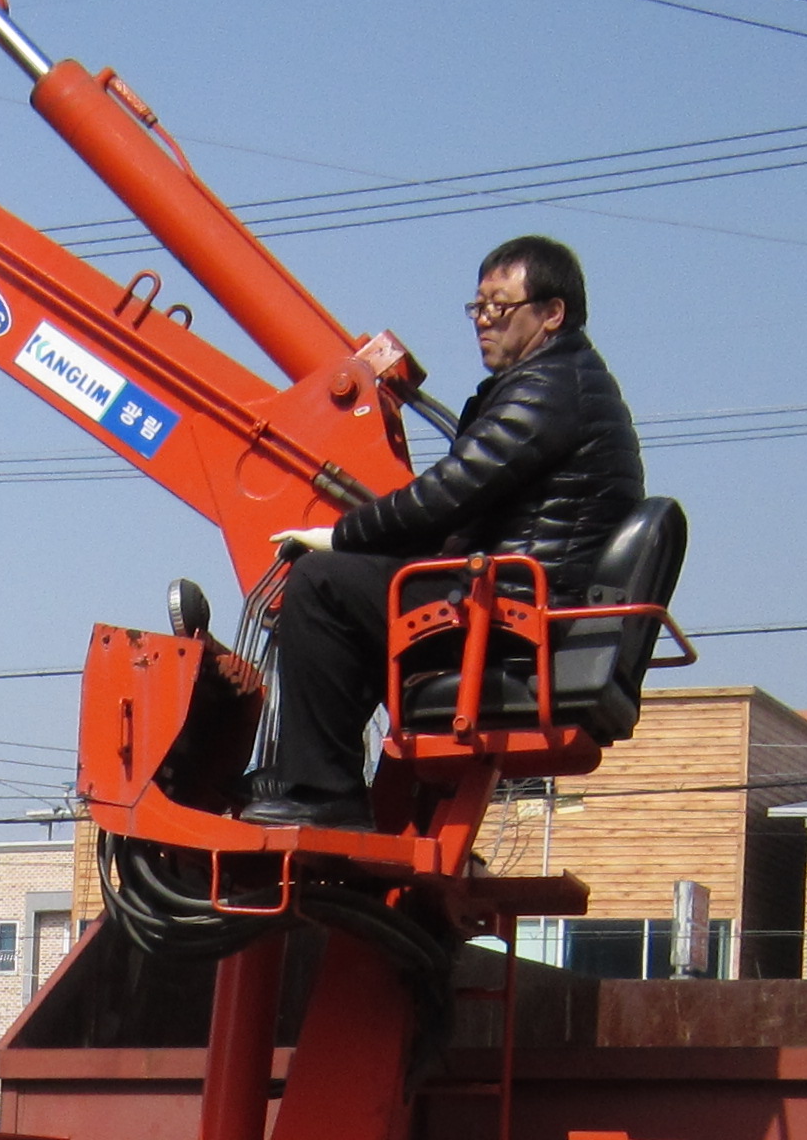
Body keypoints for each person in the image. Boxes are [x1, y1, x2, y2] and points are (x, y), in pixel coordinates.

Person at [242, 232, 646, 827]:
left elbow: (448, 494)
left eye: (499, 307)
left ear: (552, 313)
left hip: (514, 612)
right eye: (477, 307)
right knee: (366, 591)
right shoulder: (566, 383)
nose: (483, 320)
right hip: (519, 601)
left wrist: (340, 536)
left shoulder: (550, 389)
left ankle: (321, 793)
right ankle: (331, 786)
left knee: (324, 583)